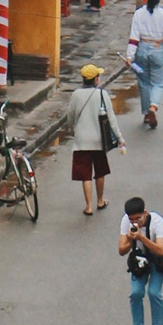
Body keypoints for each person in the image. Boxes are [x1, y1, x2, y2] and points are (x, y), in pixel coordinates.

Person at [67, 63, 124, 215]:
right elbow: (111, 119)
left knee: (85, 175)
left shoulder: (76, 95)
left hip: (81, 141)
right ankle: (100, 200)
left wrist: (73, 130)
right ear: (96, 79)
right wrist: (119, 138)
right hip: (99, 140)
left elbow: (70, 117)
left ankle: (89, 206)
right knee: (100, 171)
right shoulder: (102, 95)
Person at [119, 194, 163, 325]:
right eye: (131, 219)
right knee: (136, 292)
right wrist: (130, 239)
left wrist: (141, 238)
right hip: (140, 258)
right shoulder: (125, 222)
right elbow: (121, 250)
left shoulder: (157, 222)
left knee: (154, 292)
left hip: (159, 258)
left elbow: (161, 250)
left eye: (138, 218)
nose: (135, 222)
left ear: (145, 213)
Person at [127, 0, 163, 129]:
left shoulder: (138, 13)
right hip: (157, 49)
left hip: (141, 48)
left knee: (144, 83)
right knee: (158, 82)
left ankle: (146, 114)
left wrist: (129, 56)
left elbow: (134, 37)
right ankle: (153, 107)